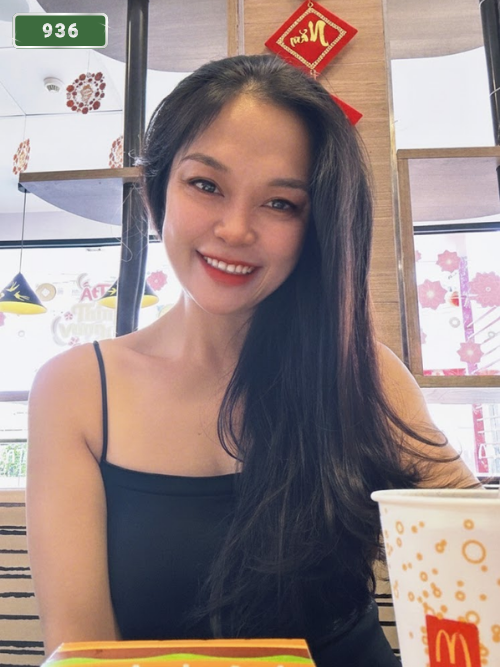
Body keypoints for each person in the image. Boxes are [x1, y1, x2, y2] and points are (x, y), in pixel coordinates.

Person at [26, 55, 479, 666]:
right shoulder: (76, 391)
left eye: (281, 204)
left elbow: (474, 547)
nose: (236, 230)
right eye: (206, 185)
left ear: (316, 226)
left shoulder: (362, 372)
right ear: (157, 193)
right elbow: (82, 651)